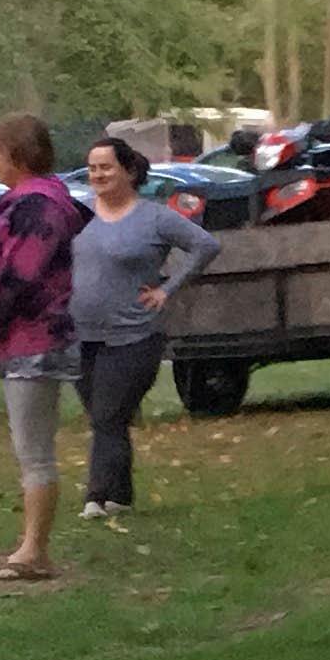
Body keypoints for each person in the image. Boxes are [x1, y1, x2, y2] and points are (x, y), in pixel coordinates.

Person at [0, 110, 85, 583]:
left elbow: (19, 278)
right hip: (20, 339)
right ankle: (32, 548)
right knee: (28, 449)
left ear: (17, 154)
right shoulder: (23, 202)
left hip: (36, 339)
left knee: (34, 451)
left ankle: (34, 552)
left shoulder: (39, 208)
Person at [66, 138, 213, 522]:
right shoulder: (80, 214)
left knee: (108, 416)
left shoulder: (153, 218)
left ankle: (95, 498)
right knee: (106, 417)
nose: (97, 174)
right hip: (82, 334)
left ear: (129, 171)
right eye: (92, 168)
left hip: (135, 336)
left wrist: (167, 289)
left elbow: (205, 245)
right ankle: (121, 496)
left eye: (106, 167)